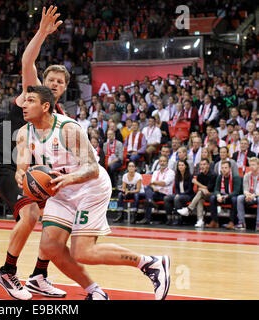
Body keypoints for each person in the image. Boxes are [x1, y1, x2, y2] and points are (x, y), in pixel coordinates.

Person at [17, 85, 170, 300]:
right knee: (50, 247)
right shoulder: (25, 132)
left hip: (89, 187)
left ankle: (150, 263)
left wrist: (69, 178)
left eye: (30, 100)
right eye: (24, 100)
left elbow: (92, 167)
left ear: (45, 106)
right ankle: (95, 292)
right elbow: (22, 164)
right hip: (61, 192)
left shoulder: (68, 129)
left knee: (83, 252)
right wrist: (21, 174)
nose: (23, 104)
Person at [0, 6, 67, 300]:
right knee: (31, 212)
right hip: (3, 163)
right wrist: (42, 33)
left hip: (30, 171)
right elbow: (27, 59)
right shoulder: (31, 93)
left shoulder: (59, 116)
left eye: (60, 82)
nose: (55, 84)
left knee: (58, 218)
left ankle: (38, 276)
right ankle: (7, 271)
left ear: (65, 88)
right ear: (42, 82)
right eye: (51, 80)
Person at [178, 158, 217, 228]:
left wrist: (197, 183)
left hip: (212, 195)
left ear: (208, 165)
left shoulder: (213, 175)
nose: (202, 166)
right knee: (200, 199)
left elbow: (209, 189)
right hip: (203, 194)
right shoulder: (199, 175)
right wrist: (203, 189)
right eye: (201, 164)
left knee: (200, 192)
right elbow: (199, 188)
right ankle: (200, 220)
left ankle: (189, 209)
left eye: (204, 164)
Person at [139, 156, 175, 225]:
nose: (162, 163)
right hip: (156, 192)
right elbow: (151, 183)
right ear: (159, 163)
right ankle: (150, 202)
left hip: (165, 194)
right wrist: (153, 186)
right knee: (147, 188)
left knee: (148, 196)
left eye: (164, 161)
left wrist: (154, 183)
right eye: (161, 161)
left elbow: (164, 183)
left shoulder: (171, 172)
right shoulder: (156, 172)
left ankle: (147, 217)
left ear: (167, 163)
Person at [207, 160, 242, 229]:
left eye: (226, 168)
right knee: (212, 198)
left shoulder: (236, 177)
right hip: (222, 196)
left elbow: (236, 191)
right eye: (222, 168)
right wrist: (218, 195)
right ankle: (214, 221)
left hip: (230, 197)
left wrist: (226, 196)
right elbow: (216, 189)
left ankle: (232, 222)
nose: (224, 169)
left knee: (235, 199)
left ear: (230, 169)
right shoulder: (220, 177)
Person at [164, 160, 194, 225]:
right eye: (179, 165)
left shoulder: (190, 176)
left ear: (186, 166)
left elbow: (190, 189)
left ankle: (178, 219)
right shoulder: (177, 175)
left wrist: (179, 195)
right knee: (166, 198)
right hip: (179, 194)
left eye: (182, 165)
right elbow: (177, 188)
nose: (180, 167)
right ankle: (169, 218)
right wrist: (177, 194)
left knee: (177, 199)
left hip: (188, 195)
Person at [236, 157, 259, 231]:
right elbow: (245, 189)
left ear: (258, 165)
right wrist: (247, 195)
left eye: (253, 165)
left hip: (257, 196)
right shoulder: (247, 175)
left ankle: (258, 223)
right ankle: (242, 223)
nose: (251, 167)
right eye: (250, 165)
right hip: (249, 196)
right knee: (240, 198)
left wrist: (253, 195)